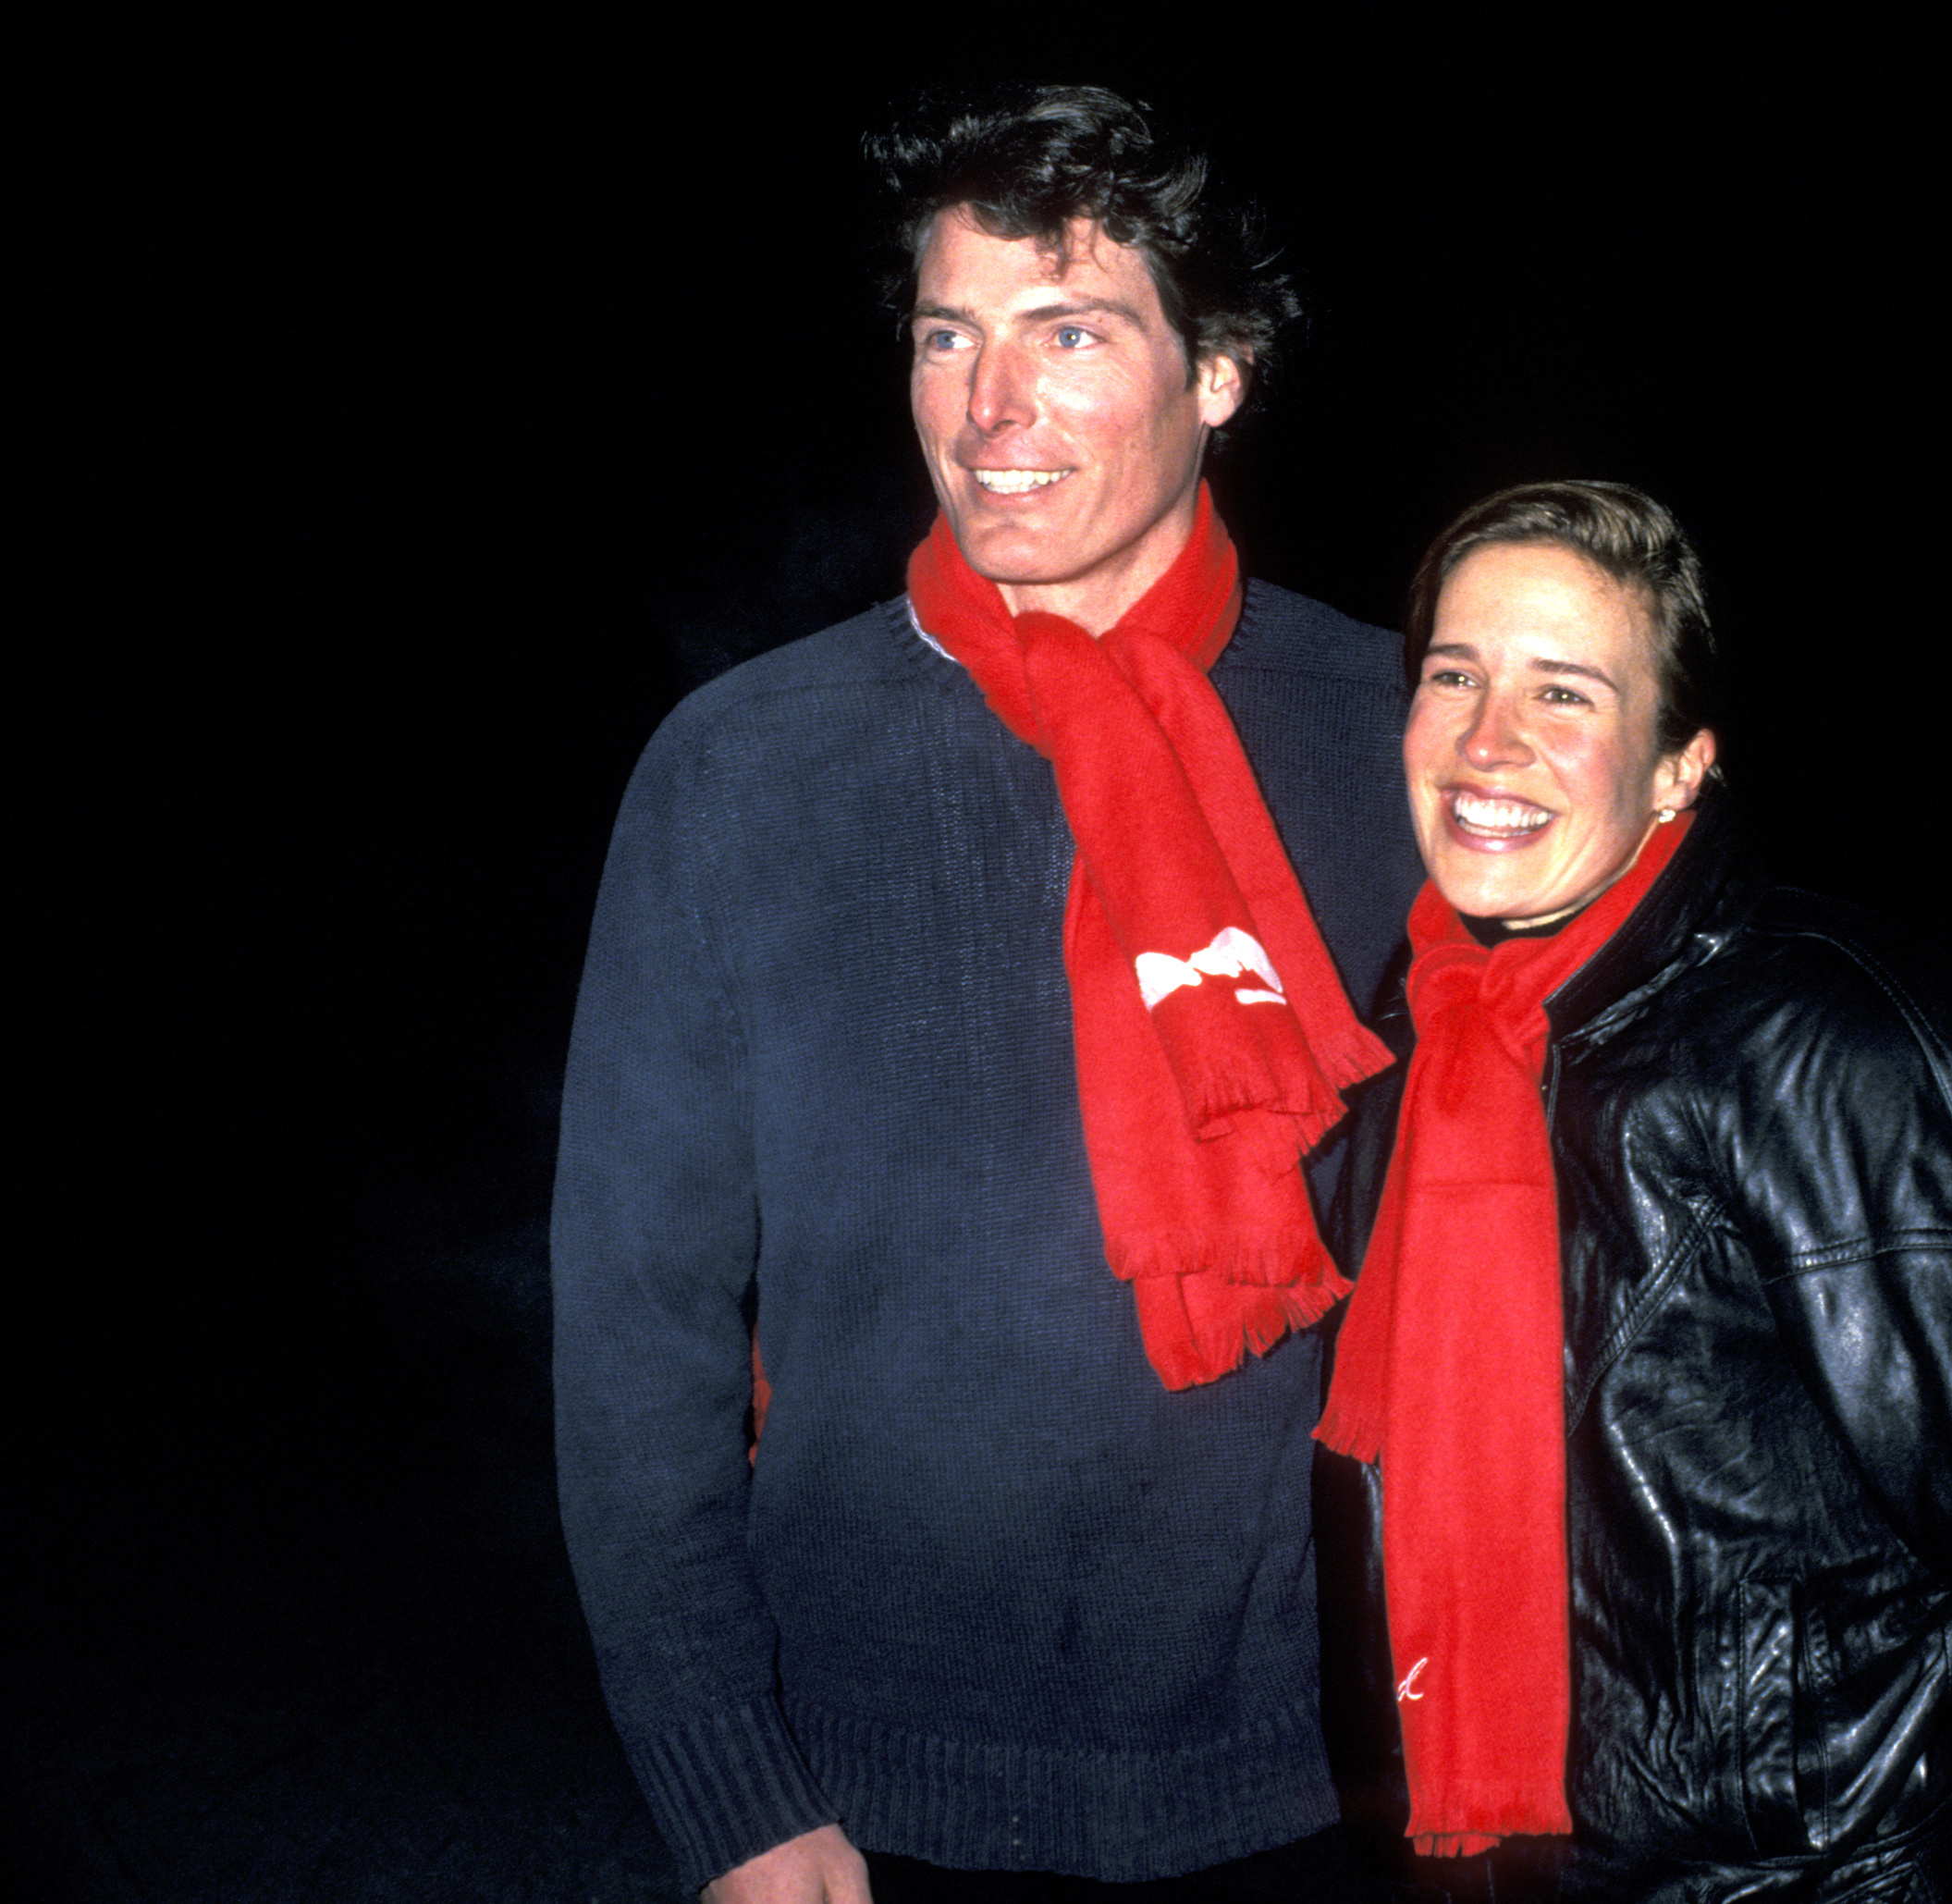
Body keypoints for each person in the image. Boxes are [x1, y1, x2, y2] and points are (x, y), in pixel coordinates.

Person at [553, 88, 1418, 1902]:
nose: (988, 409)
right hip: (867, 1803)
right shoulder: (741, 771)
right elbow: (637, 1335)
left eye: (1072, 332)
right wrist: (734, 1794)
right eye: (951, 336)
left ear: (1225, 372)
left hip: (1313, 1787)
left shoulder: (1402, 741)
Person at [1316, 481, 1952, 1900]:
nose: (1486, 740)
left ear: (1681, 767)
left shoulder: (1826, 1043)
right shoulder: (1415, 1035)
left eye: (1564, 693)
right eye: (1456, 675)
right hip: (1480, 1864)